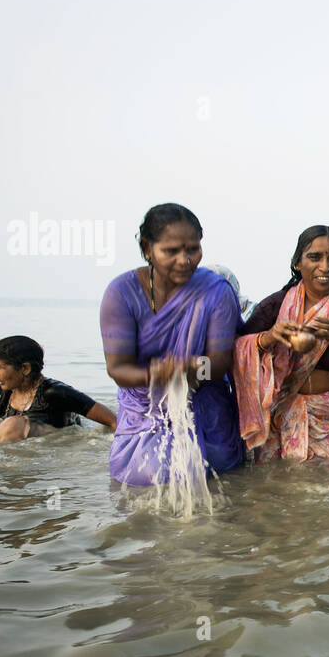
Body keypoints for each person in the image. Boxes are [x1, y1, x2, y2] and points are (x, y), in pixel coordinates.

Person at [100, 204, 245, 486]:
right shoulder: (121, 293)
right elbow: (118, 369)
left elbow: (220, 363)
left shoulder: (215, 292)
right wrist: (157, 374)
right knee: (147, 481)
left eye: (193, 249)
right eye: (172, 251)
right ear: (147, 248)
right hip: (145, 413)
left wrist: (193, 370)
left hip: (206, 408)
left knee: (222, 477)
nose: (185, 260)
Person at [233, 225, 329, 462]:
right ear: (298, 263)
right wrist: (269, 338)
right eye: (314, 257)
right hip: (280, 418)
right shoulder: (275, 306)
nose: (325, 267)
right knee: (277, 490)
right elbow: (236, 354)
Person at [0, 335, 116, 441]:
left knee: (12, 424)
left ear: (25, 368)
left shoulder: (55, 393)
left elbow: (114, 421)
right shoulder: (6, 390)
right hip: (26, 445)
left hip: (60, 444)